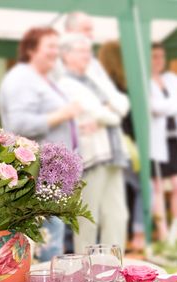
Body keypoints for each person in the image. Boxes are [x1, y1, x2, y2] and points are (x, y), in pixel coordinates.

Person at [0, 27, 80, 261]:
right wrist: (63, 114)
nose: (56, 52)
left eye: (58, 46)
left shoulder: (41, 78)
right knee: (45, 242)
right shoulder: (22, 78)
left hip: (50, 174)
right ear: (31, 49)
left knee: (52, 239)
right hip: (36, 172)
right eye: (50, 46)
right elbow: (19, 122)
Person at [58, 33, 129, 254]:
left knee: (117, 214)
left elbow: (123, 104)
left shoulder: (94, 77)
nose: (87, 56)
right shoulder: (65, 83)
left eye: (88, 51)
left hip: (113, 153)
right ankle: (84, 268)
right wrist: (106, 111)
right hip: (91, 155)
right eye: (81, 51)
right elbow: (111, 116)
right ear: (66, 55)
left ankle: (113, 266)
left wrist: (103, 113)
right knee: (88, 216)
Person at [98, 41, 146, 251]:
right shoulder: (126, 86)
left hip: (103, 148)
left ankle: (117, 239)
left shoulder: (99, 84)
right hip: (125, 145)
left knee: (112, 195)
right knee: (140, 188)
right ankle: (137, 234)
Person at [150, 44, 177, 244]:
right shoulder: (143, 81)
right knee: (157, 186)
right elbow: (154, 108)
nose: (159, 60)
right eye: (154, 56)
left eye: (161, 56)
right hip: (155, 141)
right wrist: (172, 106)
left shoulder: (172, 79)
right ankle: (163, 231)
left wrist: (168, 107)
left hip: (174, 139)